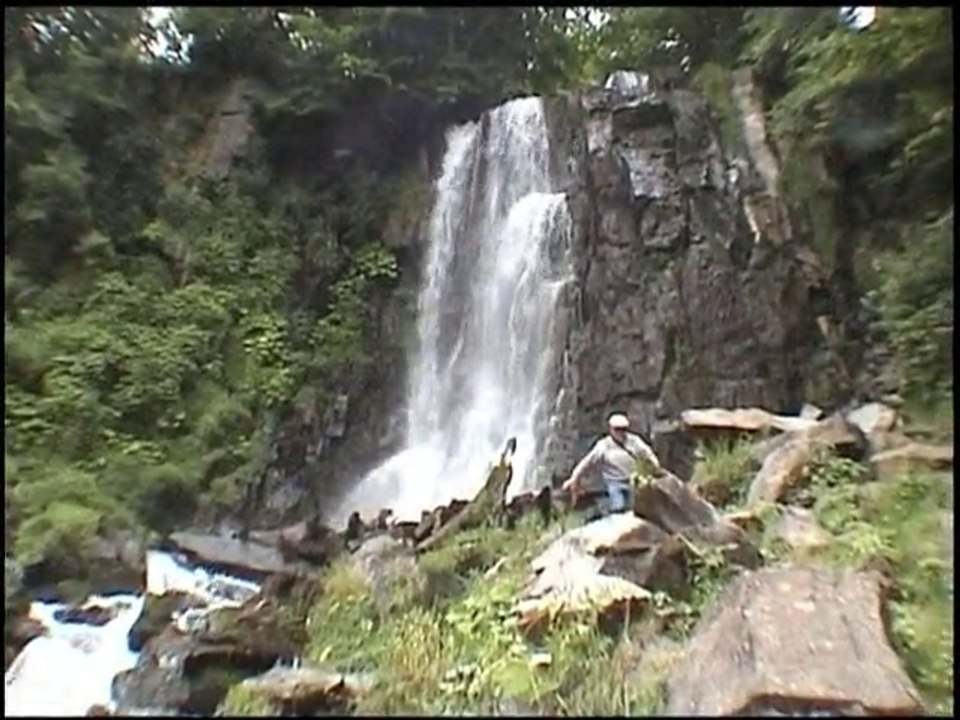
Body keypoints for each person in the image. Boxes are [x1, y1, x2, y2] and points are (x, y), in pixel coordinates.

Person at [561, 413, 662, 516]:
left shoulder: (634, 441)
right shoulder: (604, 445)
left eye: (623, 429)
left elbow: (647, 453)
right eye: (617, 429)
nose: (620, 432)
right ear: (611, 429)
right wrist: (574, 479)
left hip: (632, 481)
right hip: (614, 482)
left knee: (633, 510)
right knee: (618, 507)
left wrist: (656, 467)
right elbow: (587, 462)